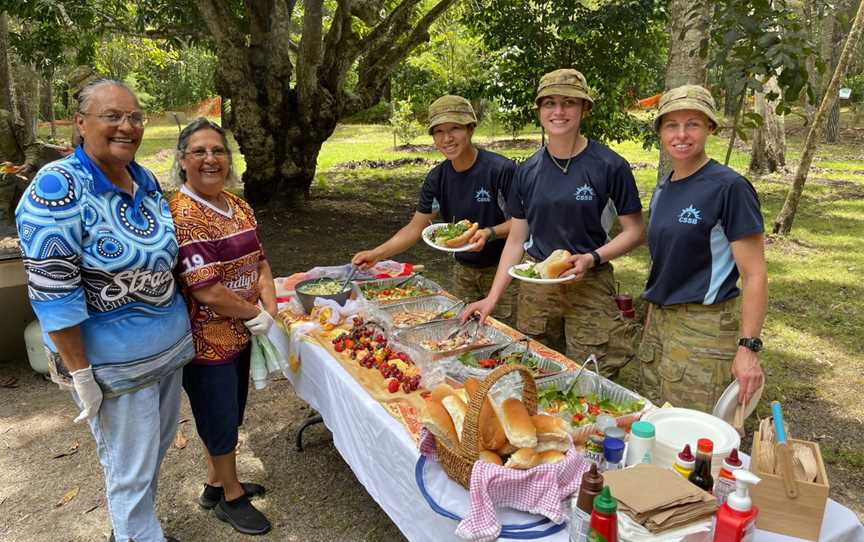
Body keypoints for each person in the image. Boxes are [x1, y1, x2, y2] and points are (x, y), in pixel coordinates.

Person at [15, 79, 194, 542]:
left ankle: (134, 529)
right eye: (111, 116)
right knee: (127, 468)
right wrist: (80, 375)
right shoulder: (56, 187)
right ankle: (137, 536)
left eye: (134, 117)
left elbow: (165, 262)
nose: (126, 126)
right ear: (80, 123)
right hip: (111, 366)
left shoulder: (145, 178)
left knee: (150, 454)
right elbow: (55, 294)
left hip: (165, 353)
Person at [463, 69, 645, 379]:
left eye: (568, 103)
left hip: (590, 282)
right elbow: (517, 239)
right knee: (534, 371)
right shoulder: (527, 170)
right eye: (549, 103)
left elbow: (636, 231)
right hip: (537, 286)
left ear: (584, 109)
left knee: (591, 375)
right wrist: (492, 298)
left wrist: (592, 258)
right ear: (539, 110)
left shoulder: (610, 166)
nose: (558, 112)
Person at [169, 118, 275, 535]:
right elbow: (206, 289)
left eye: (217, 151)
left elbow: (261, 260)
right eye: (199, 151)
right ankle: (232, 497)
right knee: (217, 415)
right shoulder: (184, 214)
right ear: (182, 161)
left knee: (230, 413)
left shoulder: (238, 205)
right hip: (206, 339)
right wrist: (256, 315)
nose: (210, 159)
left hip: (243, 332)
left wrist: (271, 308)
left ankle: (215, 482)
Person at [638, 85, 766, 412]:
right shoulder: (664, 186)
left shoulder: (729, 188)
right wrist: (651, 321)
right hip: (661, 326)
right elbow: (664, 261)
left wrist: (748, 348)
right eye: (671, 125)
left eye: (692, 123)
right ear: (660, 132)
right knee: (655, 423)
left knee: (694, 439)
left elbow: (754, 274)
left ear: (709, 127)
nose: (681, 134)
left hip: (704, 329)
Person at [351, 95, 517, 322]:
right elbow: (416, 228)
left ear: (470, 129)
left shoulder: (500, 170)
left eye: (455, 128)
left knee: (504, 336)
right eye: (438, 131)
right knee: (462, 330)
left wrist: (489, 233)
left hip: (503, 272)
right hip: (463, 270)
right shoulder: (437, 178)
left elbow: (521, 224)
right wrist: (376, 254)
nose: (447, 138)